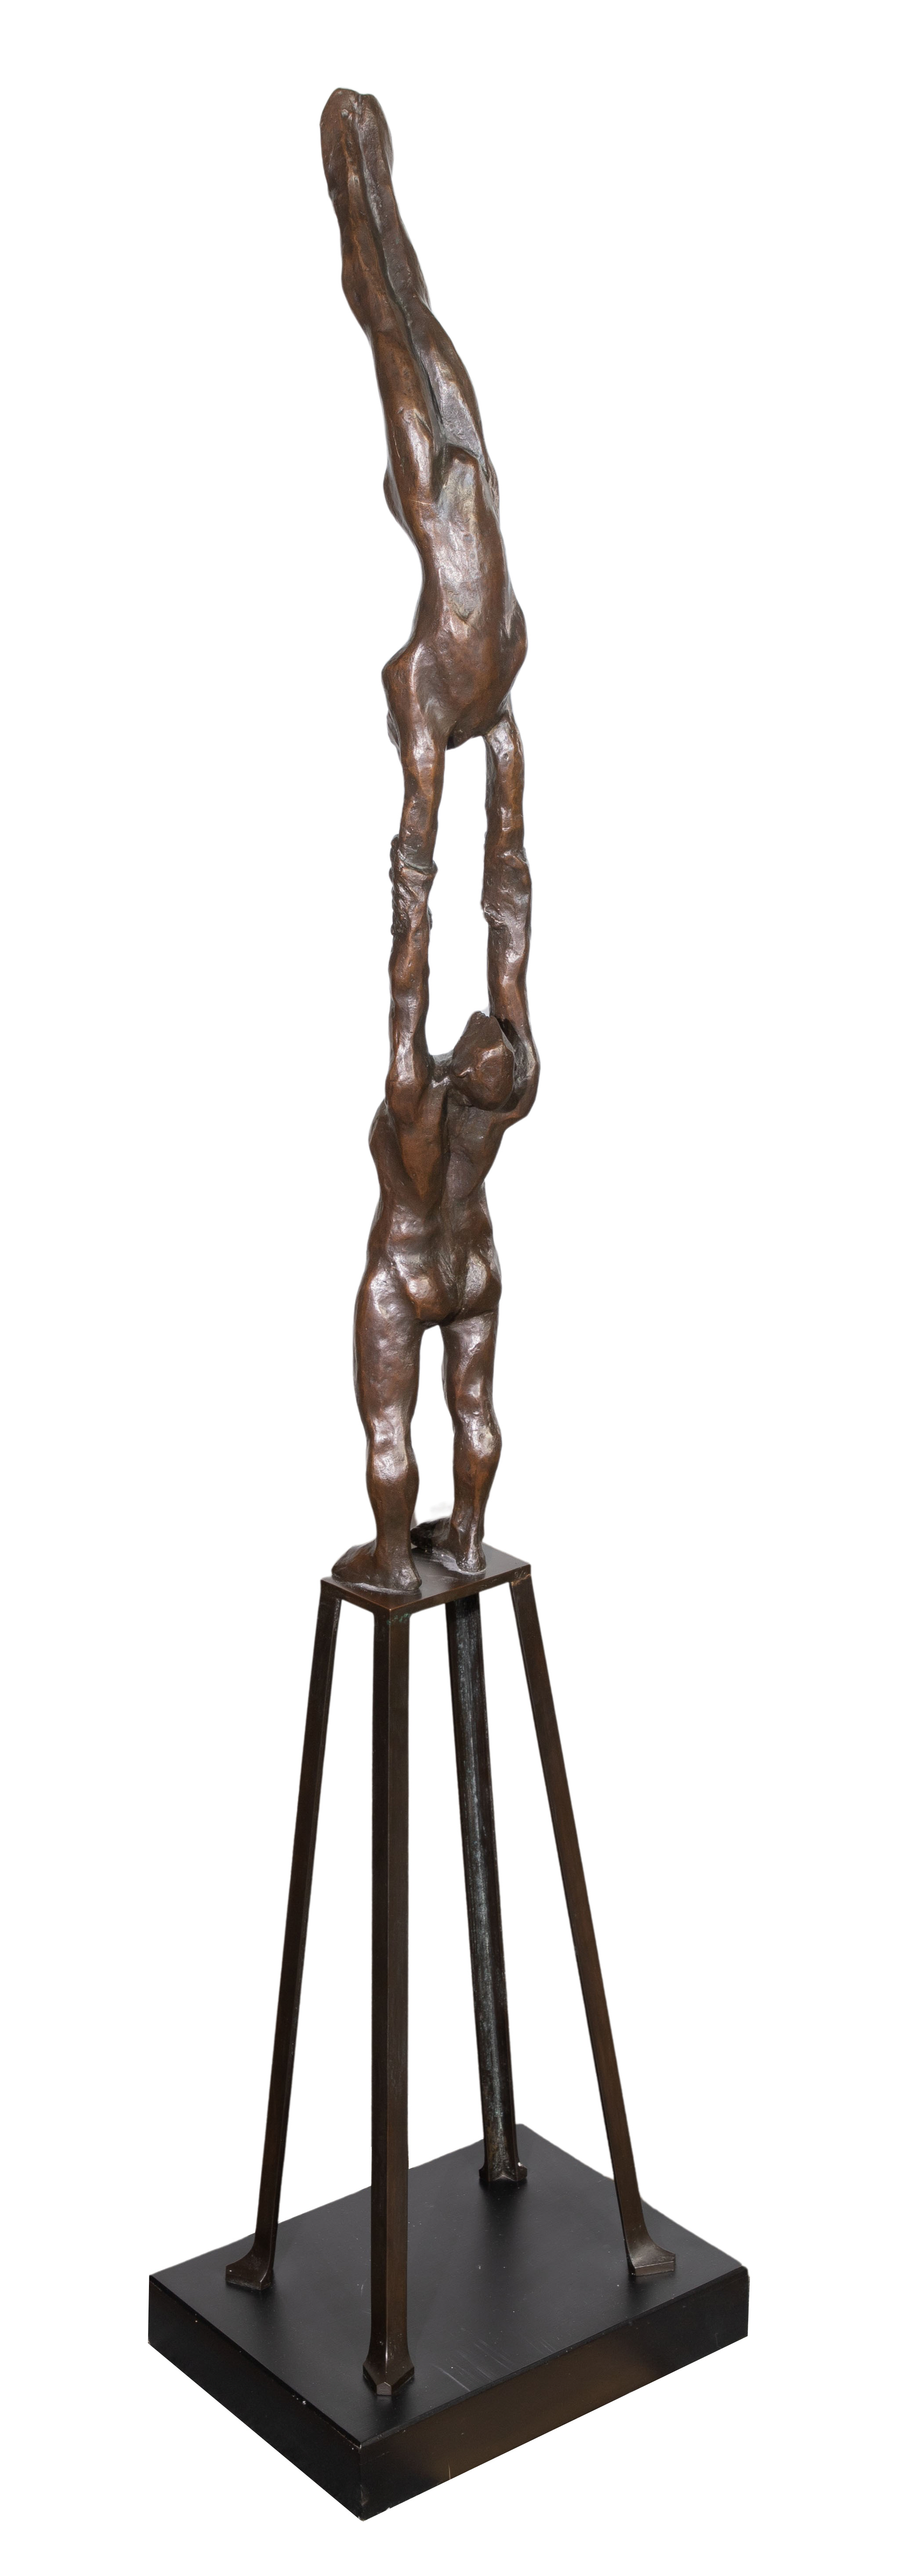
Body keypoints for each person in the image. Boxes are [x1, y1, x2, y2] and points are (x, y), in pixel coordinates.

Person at [333, 733, 538, 1594]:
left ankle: (392, 1558)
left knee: (390, 1422)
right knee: (474, 1406)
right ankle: (465, 1537)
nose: (487, 1019)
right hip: (473, 1262)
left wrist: (413, 852)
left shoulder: (418, 1092)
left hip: (408, 1265)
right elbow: (510, 926)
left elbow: (407, 978)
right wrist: (504, 760)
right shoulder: (511, 1090)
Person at [320, 88, 527, 875]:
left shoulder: (415, 687)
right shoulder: (491, 685)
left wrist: (411, 886)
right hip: (475, 473)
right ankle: (368, 159)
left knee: (390, 317)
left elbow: (416, 849)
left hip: (432, 492)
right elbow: (502, 836)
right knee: (414, 311)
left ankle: (352, 164)